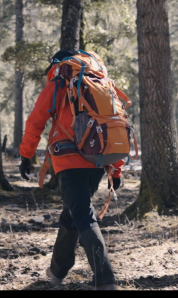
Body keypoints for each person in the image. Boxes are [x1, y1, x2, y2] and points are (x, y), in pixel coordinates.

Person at [19, 50, 123, 290]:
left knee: (82, 214)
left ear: (57, 65)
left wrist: (26, 155)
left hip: (68, 159)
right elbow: (115, 123)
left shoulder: (60, 81)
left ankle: (105, 279)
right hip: (97, 159)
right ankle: (57, 270)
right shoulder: (100, 82)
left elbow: (36, 119)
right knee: (72, 213)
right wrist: (115, 170)